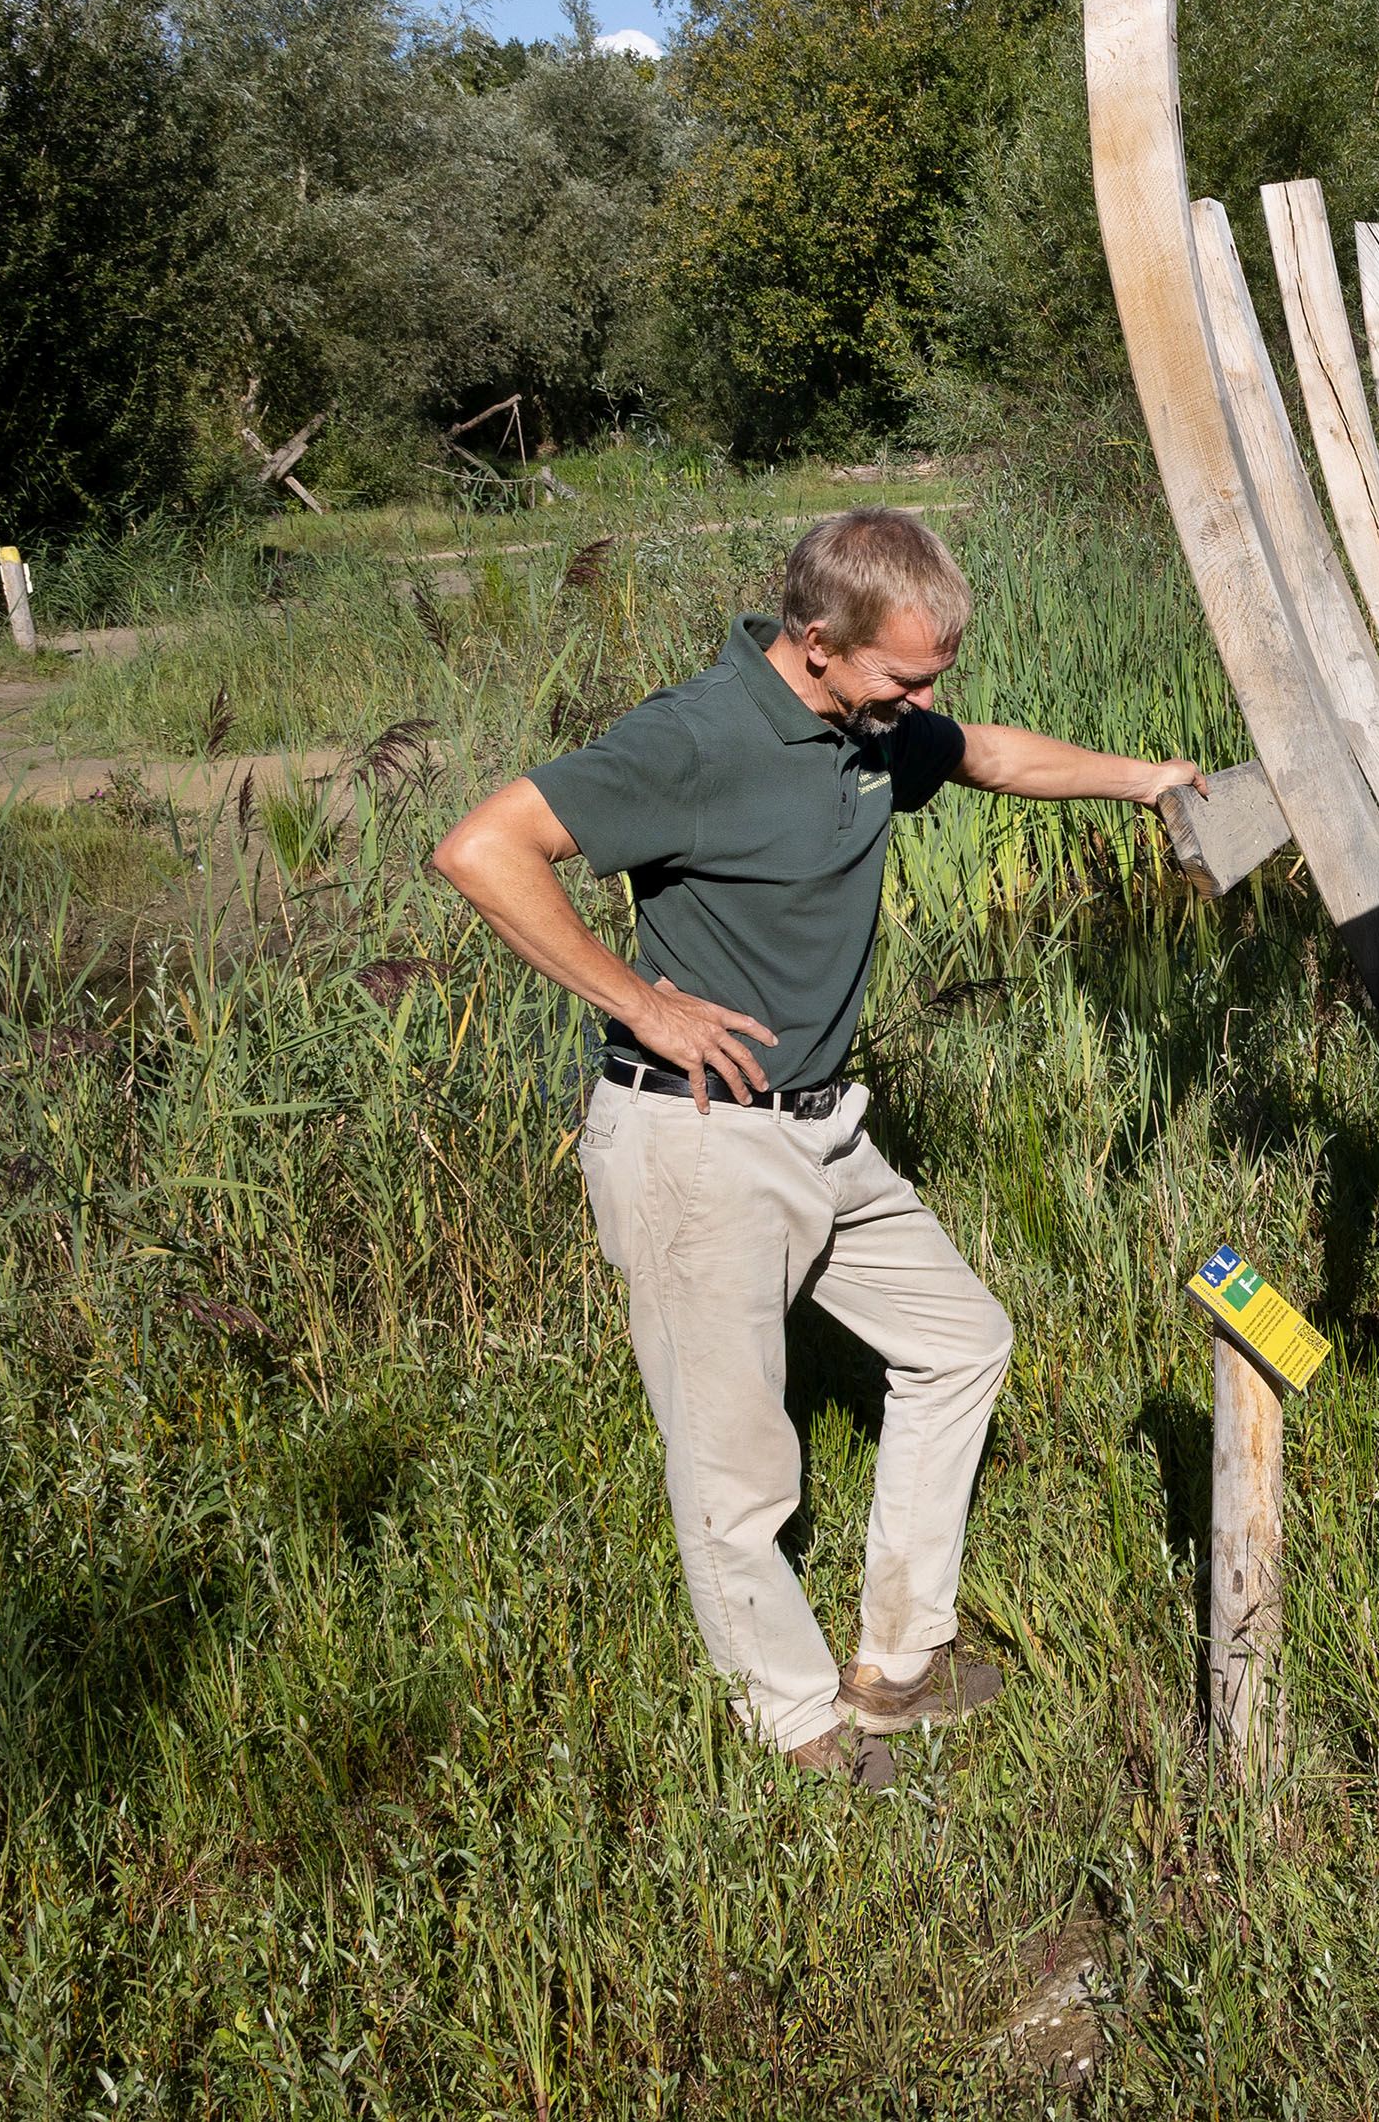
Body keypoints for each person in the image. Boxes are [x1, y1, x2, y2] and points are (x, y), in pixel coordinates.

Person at [432, 508, 1198, 1786]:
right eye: (904, 675)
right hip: (697, 1145)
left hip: (825, 1133)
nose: (925, 701)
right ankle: (792, 1732)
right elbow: (482, 846)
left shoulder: (871, 728)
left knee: (961, 1342)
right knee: (738, 1466)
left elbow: (993, 755)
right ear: (815, 640)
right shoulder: (696, 738)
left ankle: (899, 1658)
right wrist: (640, 998)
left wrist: (1154, 779)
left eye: (933, 676)